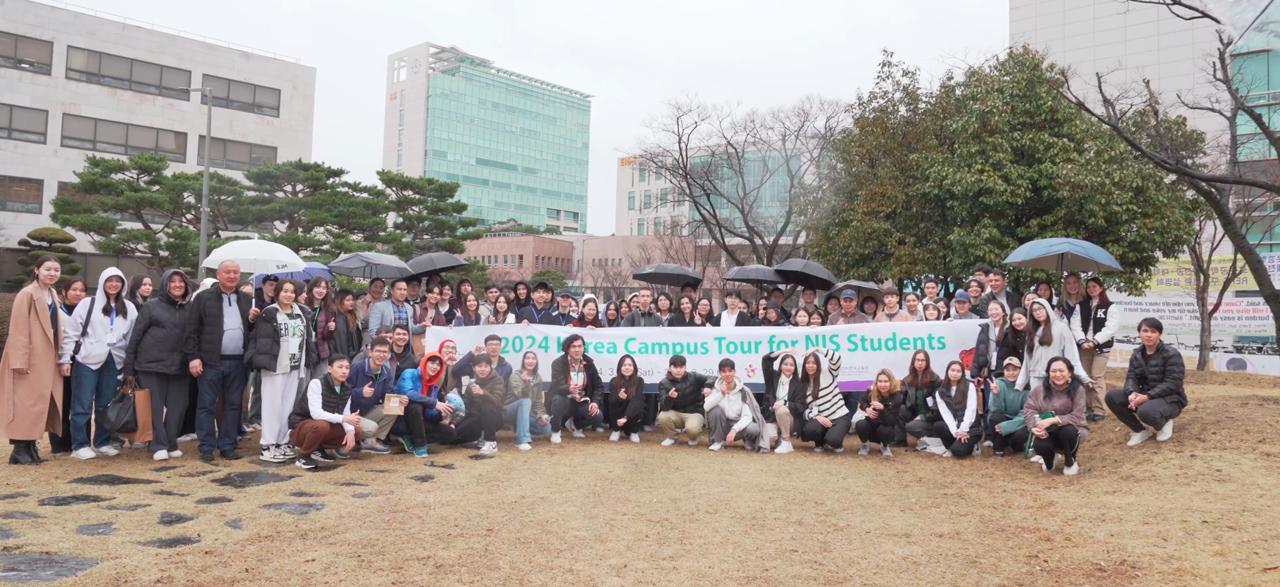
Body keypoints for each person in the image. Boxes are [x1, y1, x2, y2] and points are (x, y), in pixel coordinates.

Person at [184, 260, 259, 462]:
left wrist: (253, 320)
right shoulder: (203, 298)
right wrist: (194, 357)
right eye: (227, 272)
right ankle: (206, 447)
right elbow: (192, 330)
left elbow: (253, 333)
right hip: (210, 361)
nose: (232, 276)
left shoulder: (246, 299)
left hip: (238, 362)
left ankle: (227, 444)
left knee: (233, 405)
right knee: (206, 405)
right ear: (218, 274)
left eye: (236, 272)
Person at [59, 268, 137, 460]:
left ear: (123, 284)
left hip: (114, 360)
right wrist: (65, 358)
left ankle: (102, 442)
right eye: (109, 280)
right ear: (102, 282)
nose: (113, 284)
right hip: (87, 359)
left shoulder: (129, 307)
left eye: (117, 281)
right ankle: (80, 445)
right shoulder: (88, 303)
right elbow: (72, 333)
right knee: (82, 404)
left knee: (105, 405)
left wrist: (129, 364)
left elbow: (132, 337)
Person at [1, 257, 65, 465]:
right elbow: (18, 329)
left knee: (38, 404)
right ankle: (19, 449)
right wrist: (20, 361)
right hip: (27, 359)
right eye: (47, 269)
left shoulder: (52, 294)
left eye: (56, 270)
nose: (52, 273)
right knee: (24, 404)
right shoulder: (27, 293)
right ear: (37, 270)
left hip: (46, 359)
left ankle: (29, 447)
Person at [123, 269, 193, 461]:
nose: (177, 284)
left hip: (180, 366)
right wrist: (129, 367)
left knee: (178, 407)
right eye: (172, 281)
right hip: (150, 365)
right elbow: (135, 337)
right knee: (154, 407)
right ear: (165, 284)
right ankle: (158, 445)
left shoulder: (191, 308)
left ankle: (171, 443)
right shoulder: (151, 307)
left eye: (181, 281)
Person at [246, 279, 317, 463]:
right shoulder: (269, 313)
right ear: (277, 292)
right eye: (285, 291)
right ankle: (268, 445)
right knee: (272, 407)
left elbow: (307, 338)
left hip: (294, 365)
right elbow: (260, 339)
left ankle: (282, 442)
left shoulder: (300, 311)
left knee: (287, 406)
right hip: (274, 366)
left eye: (292, 291)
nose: (288, 295)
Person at [1106, 318, 1187, 446]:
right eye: (1145, 331)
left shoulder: (1171, 354)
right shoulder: (1137, 354)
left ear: (1159, 334)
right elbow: (1131, 377)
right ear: (1139, 333)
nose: (1148, 335)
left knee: (1145, 411)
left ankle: (1163, 423)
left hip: (1171, 399)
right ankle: (1140, 431)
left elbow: (1173, 383)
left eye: (1153, 331)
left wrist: (1147, 397)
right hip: (1145, 395)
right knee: (1112, 397)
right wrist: (1132, 393)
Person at [287, 355, 362, 469]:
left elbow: (346, 413)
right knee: (322, 425)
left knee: (356, 431)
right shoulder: (316, 383)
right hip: (300, 428)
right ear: (329, 369)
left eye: (347, 368)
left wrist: (350, 431)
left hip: (322, 426)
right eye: (340, 367)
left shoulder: (347, 389)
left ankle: (317, 449)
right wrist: (344, 419)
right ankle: (303, 456)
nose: (344, 371)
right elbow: (316, 414)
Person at [1023, 357, 1089, 475]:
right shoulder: (1038, 390)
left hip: (1074, 429)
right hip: (1050, 431)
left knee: (1067, 431)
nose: (1057, 374)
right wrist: (1033, 427)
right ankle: (1049, 460)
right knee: (1039, 444)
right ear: (1048, 373)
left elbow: (1078, 416)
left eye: (1061, 371)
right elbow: (1029, 409)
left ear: (1070, 372)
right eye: (1053, 371)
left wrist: (1054, 420)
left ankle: (1070, 461)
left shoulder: (1078, 390)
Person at [1016, 299, 1091, 393]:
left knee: (1056, 406)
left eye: (1040, 308)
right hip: (1035, 377)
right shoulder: (1031, 331)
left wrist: (1083, 377)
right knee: (1038, 406)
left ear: (1047, 308)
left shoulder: (1061, 328)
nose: (1038, 312)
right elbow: (1027, 360)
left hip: (1056, 376)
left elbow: (1072, 356)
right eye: (1034, 310)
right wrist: (1020, 384)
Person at [48, 277, 88, 455]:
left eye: (82, 290)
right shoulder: (55, 311)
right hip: (60, 363)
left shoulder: (89, 311)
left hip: (83, 362)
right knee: (61, 403)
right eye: (74, 289)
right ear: (64, 292)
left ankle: (78, 441)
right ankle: (58, 443)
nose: (78, 293)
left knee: (80, 403)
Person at [1070, 277, 1117, 422]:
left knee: (1096, 376)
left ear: (1101, 288)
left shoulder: (1109, 306)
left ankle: (1098, 410)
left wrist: (1095, 341)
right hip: (1084, 346)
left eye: (1094, 286)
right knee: (1085, 377)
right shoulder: (1081, 305)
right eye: (1089, 287)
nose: (1091, 289)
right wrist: (1082, 341)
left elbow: (1111, 328)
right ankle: (1087, 409)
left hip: (1101, 347)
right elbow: (1074, 324)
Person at [344, 336, 397, 456]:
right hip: (349, 415)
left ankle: (369, 441)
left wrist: (398, 399)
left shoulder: (386, 372)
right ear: (370, 352)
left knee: (394, 408)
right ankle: (341, 440)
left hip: (367, 413)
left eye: (385, 352)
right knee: (372, 427)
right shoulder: (357, 368)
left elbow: (388, 394)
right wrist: (360, 392)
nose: (381, 355)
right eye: (378, 351)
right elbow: (342, 393)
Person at [395, 352, 456, 456]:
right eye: (432, 363)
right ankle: (420, 445)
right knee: (415, 406)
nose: (435, 367)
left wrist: (441, 415)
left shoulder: (433, 386)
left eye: (438, 365)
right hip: (400, 419)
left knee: (451, 433)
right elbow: (408, 393)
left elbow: (429, 414)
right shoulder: (409, 373)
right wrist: (434, 403)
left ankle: (410, 437)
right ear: (424, 362)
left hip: (419, 422)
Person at [548, 334, 604, 443]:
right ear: (567, 348)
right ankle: (555, 431)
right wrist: (568, 389)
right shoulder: (558, 363)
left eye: (580, 346)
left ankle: (575, 424)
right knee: (559, 400)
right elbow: (557, 386)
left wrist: (595, 402)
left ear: (584, 348)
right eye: (573, 346)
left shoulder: (589, 363)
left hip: (581, 400)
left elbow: (598, 386)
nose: (577, 349)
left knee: (598, 416)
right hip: (564, 399)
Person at [704, 358, 767, 452]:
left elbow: (747, 416)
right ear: (719, 373)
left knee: (754, 428)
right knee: (715, 409)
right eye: (724, 371)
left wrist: (734, 429)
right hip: (722, 426)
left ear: (734, 371)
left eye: (730, 371)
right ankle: (717, 441)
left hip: (738, 426)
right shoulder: (715, 389)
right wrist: (721, 394)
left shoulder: (743, 391)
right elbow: (706, 407)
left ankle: (748, 440)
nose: (727, 374)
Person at [799, 348, 851, 453]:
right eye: (808, 363)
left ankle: (835, 441)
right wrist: (816, 416)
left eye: (814, 363)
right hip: (820, 419)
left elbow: (837, 358)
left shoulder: (827, 373)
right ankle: (821, 442)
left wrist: (818, 349)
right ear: (804, 365)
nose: (810, 365)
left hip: (839, 416)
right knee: (809, 430)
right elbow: (802, 409)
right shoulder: (802, 384)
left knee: (833, 440)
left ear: (818, 364)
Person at [656, 355, 713, 446]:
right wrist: (670, 397)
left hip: (694, 412)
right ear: (669, 368)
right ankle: (672, 438)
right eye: (675, 367)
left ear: (685, 368)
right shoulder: (664, 383)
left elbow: (712, 378)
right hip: (675, 413)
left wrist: (708, 386)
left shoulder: (694, 376)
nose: (678, 370)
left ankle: (693, 437)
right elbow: (663, 407)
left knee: (693, 429)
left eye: (681, 367)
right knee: (663, 416)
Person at [504, 351, 551, 450]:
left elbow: (538, 401)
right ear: (523, 361)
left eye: (533, 358)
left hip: (525, 413)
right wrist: (525, 382)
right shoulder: (515, 375)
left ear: (536, 361)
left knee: (546, 427)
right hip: (508, 411)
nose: (530, 361)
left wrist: (542, 415)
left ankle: (517, 426)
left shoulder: (538, 378)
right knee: (525, 400)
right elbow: (520, 395)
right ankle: (521, 440)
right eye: (527, 358)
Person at [760, 349, 804, 453]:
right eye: (785, 364)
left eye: (791, 365)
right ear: (780, 366)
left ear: (795, 367)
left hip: (790, 420)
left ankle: (786, 441)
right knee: (770, 437)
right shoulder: (772, 378)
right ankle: (779, 437)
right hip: (772, 418)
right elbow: (766, 360)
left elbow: (801, 406)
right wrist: (784, 351)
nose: (788, 367)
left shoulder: (798, 384)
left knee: (781, 409)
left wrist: (785, 403)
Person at [935, 360, 980, 458]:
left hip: (971, 428)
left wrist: (963, 430)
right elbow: (946, 414)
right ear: (947, 371)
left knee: (958, 451)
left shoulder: (969, 386)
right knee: (938, 425)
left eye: (958, 371)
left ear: (962, 373)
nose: (955, 373)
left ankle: (972, 445)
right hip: (956, 428)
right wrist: (955, 432)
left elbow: (971, 410)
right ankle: (950, 447)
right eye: (952, 370)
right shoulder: (940, 392)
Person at [854, 369, 904, 457]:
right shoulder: (871, 391)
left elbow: (891, 421)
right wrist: (867, 409)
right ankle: (865, 445)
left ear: (891, 382)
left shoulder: (896, 397)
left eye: (886, 381)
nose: (883, 384)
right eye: (880, 381)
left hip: (884, 427)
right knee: (860, 424)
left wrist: (882, 409)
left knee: (886, 430)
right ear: (876, 382)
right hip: (871, 424)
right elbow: (862, 402)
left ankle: (884, 446)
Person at [463, 354, 505, 454]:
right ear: (474, 368)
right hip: (476, 418)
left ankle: (490, 442)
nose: (483, 369)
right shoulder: (471, 383)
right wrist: (454, 422)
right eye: (479, 366)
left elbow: (497, 400)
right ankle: (478, 435)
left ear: (490, 367)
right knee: (453, 436)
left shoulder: (498, 380)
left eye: (486, 366)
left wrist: (482, 393)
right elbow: (466, 406)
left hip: (495, 419)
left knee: (487, 405)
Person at [987, 357, 1029, 457]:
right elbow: (995, 409)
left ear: (1020, 370)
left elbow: (1026, 413)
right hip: (1002, 417)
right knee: (995, 417)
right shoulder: (997, 383)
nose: (1011, 373)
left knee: (1023, 433)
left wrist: (1007, 426)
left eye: (1015, 369)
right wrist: (996, 394)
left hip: (1018, 420)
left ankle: (1016, 446)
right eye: (1007, 370)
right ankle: (998, 448)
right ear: (1003, 371)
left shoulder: (1027, 387)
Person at [901, 350, 941, 451]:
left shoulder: (935, 379)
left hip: (932, 417)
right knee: (900, 409)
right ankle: (899, 440)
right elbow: (902, 400)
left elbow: (938, 405)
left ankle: (937, 436)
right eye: (917, 360)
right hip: (914, 414)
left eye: (923, 360)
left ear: (927, 362)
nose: (920, 363)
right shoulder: (906, 380)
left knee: (910, 427)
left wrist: (924, 416)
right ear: (913, 362)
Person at [607, 355, 646, 443]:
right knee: (614, 405)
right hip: (618, 417)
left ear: (634, 367)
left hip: (630, 417)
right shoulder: (614, 381)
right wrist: (619, 398)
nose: (627, 368)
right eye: (624, 365)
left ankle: (634, 432)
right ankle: (615, 431)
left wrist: (626, 417)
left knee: (638, 405)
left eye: (630, 365)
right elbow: (611, 400)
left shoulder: (639, 381)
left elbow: (638, 399)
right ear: (619, 367)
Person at [306, 276, 336, 382]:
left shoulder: (328, 309)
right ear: (311, 288)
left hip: (320, 350)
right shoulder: (303, 306)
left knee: (319, 383)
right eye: (318, 287)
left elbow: (327, 337)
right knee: (304, 384)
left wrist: (330, 329)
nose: (321, 290)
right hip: (305, 350)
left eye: (324, 288)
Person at [331, 289, 362, 361]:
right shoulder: (340, 318)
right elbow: (342, 342)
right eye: (348, 300)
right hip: (345, 357)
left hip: (352, 355)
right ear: (340, 302)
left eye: (352, 300)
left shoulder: (350, 316)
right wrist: (345, 360)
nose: (351, 302)